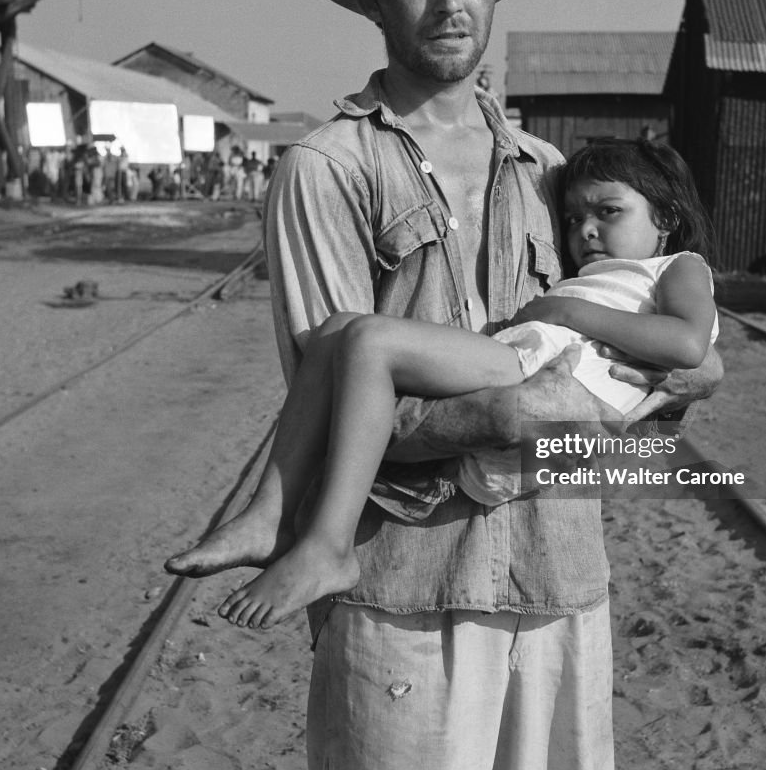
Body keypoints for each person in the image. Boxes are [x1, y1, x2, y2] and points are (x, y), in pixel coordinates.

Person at [167, 0, 721, 770]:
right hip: (406, 590)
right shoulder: (326, 168)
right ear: (372, 3)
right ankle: (281, 531)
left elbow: (622, 359)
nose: (447, 0)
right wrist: (508, 414)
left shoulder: (555, 172)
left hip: (558, 575)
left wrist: (678, 387)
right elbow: (335, 391)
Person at [169, 136, 718, 630]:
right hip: (528, 361)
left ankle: (329, 546)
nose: (586, 230)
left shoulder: (678, 267)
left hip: (549, 374)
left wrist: (569, 314)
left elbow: (689, 345)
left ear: (666, 217)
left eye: (609, 211)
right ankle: (270, 515)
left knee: (369, 342)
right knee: (337, 332)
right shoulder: (599, 273)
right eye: (574, 218)